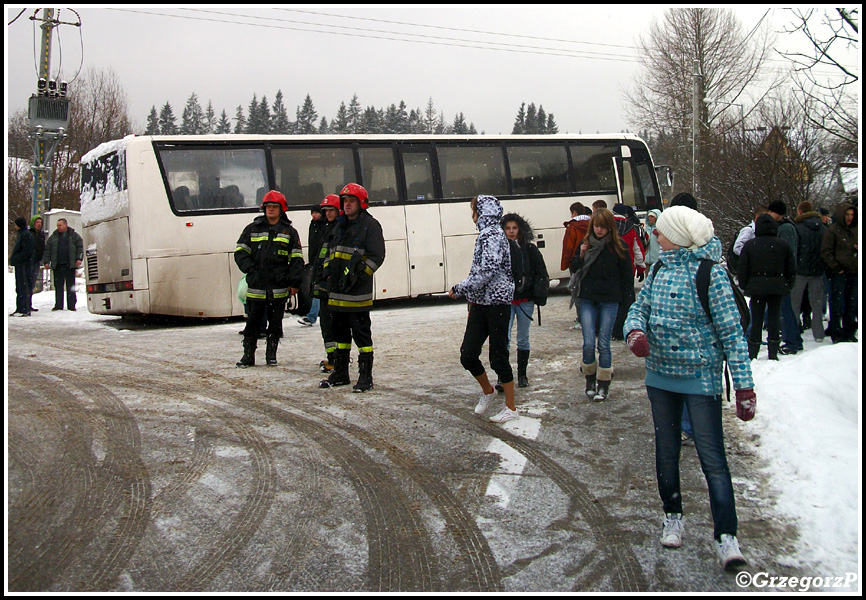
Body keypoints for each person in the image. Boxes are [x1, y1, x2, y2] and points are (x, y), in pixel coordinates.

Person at [624, 205, 755, 570]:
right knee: (666, 451)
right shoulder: (659, 269)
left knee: (712, 459)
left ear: (678, 237)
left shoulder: (710, 274)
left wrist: (744, 387)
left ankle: (727, 536)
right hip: (660, 378)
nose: (657, 237)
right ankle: (673, 515)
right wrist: (634, 331)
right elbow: (639, 308)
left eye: (662, 232)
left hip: (701, 379)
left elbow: (732, 333)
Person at [450, 195, 517, 423]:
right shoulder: (486, 235)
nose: (472, 216)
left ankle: (511, 407)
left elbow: (487, 270)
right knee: (468, 354)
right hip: (480, 303)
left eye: (474, 211)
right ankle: (488, 391)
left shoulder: (492, 235)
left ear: (481, 212)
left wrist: (460, 288)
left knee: (498, 356)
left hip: (497, 303)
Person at [319, 183, 386, 392]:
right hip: (337, 292)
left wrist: (360, 275)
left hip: (357, 294)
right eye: (345, 201)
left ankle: (365, 377)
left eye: (351, 201)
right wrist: (329, 272)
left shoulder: (370, 225)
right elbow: (331, 251)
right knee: (340, 336)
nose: (347, 205)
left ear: (361, 203)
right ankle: (340, 373)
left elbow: (377, 256)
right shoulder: (339, 225)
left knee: (362, 336)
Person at [234, 190, 305, 367]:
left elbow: (297, 260)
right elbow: (240, 252)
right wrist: (251, 270)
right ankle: (248, 356)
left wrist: (294, 283)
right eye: (268, 207)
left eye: (274, 207)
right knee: (252, 324)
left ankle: (271, 356)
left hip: (279, 287)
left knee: (275, 325)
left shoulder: (290, 232)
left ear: (282, 210)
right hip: (256, 287)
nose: (271, 210)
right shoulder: (252, 229)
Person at [570, 208, 633, 402]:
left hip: (609, 300)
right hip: (588, 298)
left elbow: (626, 276)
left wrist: (625, 301)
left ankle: (603, 384)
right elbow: (573, 268)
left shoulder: (618, 246)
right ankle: (589, 380)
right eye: (596, 226)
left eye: (603, 227)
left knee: (604, 344)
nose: (599, 230)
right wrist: (580, 255)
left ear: (609, 228)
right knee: (589, 343)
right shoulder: (586, 244)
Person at [737, 214, 796, 360]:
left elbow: (743, 268)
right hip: (777, 288)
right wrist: (788, 285)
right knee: (774, 319)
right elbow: (791, 268)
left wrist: (745, 285)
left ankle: (753, 350)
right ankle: (773, 350)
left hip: (757, 289)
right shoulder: (783, 245)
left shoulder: (751, 245)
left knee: (756, 320)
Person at [501, 213, 549, 388]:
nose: (511, 231)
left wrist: (538, 293)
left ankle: (522, 375)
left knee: (523, 338)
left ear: (520, 229)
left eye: (514, 228)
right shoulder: (500, 250)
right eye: (508, 228)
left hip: (525, 300)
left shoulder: (529, 249)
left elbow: (541, 273)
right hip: (506, 301)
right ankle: (503, 376)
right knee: (503, 338)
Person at [767, 200, 802, 355]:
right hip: (781, 275)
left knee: (785, 310)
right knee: (785, 309)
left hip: (782, 276)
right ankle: (795, 340)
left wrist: (785, 273)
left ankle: (791, 342)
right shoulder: (783, 227)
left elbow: (788, 254)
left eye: (771, 212)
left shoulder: (786, 228)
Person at [312, 194, 342, 372]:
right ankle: (333, 356)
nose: (328, 213)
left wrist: (328, 275)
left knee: (331, 324)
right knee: (326, 323)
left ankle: (337, 359)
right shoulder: (326, 228)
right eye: (326, 211)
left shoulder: (337, 229)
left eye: (331, 210)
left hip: (331, 285)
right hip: (324, 284)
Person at [791, 201, 828, 343]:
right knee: (816, 304)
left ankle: (794, 332)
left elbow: (795, 249)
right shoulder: (822, 228)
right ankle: (818, 333)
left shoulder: (798, 228)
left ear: (800, 212)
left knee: (795, 303)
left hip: (800, 270)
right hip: (818, 270)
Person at [821, 201, 858, 344]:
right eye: (847, 214)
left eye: (852, 215)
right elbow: (826, 252)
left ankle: (849, 331)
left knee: (851, 304)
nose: (849, 217)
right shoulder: (833, 230)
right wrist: (836, 267)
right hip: (839, 273)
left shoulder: (856, 230)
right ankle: (836, 331)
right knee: (836, 303)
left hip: (854, 272)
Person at [611, 203, 646, 340]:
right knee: (627, 300)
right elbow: (638, 249)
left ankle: (610, 328)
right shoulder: (631, 228)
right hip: (627, 268)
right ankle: (623, 328)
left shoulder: (607, 227)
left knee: (611, 300)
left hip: (610, 269)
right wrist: (640, 267)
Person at [43, 218, 84, 311]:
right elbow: (47, 250)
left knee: (70, 286)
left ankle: (71, 305)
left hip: (69, 265)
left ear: (65, 225)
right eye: (57, 225)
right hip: (57, 265)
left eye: (60, 225)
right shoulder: (53, 237)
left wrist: (79, 258)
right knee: (58, 286)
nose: (58, 227)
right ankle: (58, 305)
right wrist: (46, 261)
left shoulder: (73, 236)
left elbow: (80, 247)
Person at [298, 205, 326, 327]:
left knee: (319, 289)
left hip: (322, 262)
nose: (314, 215)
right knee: (318, 289)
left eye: (316, 213)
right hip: (316, 261)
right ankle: (313, 316)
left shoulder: (323, 225)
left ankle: (312, 316)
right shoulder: (313, 225)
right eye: (312, 213)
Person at [10, 217, 35, 317]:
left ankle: (24, 308)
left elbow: (27, 251)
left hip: (24, 265)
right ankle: (20, 308)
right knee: (20, 287)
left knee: (24, 287)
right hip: (21, 265)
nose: (15, 227)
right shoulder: (23, 234)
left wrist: (17, 258)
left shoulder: (25, 235)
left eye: (16, 224)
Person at [29, 215, 47, 312]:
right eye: (37, 222)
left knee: (32, 283)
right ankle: (25, 303)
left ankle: (29, 303)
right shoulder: (29, 233)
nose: (39, 224)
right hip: (29, 261)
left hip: (36, 261)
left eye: (40, 223)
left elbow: (42, 247)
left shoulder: (41, 234)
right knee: (27, 283)